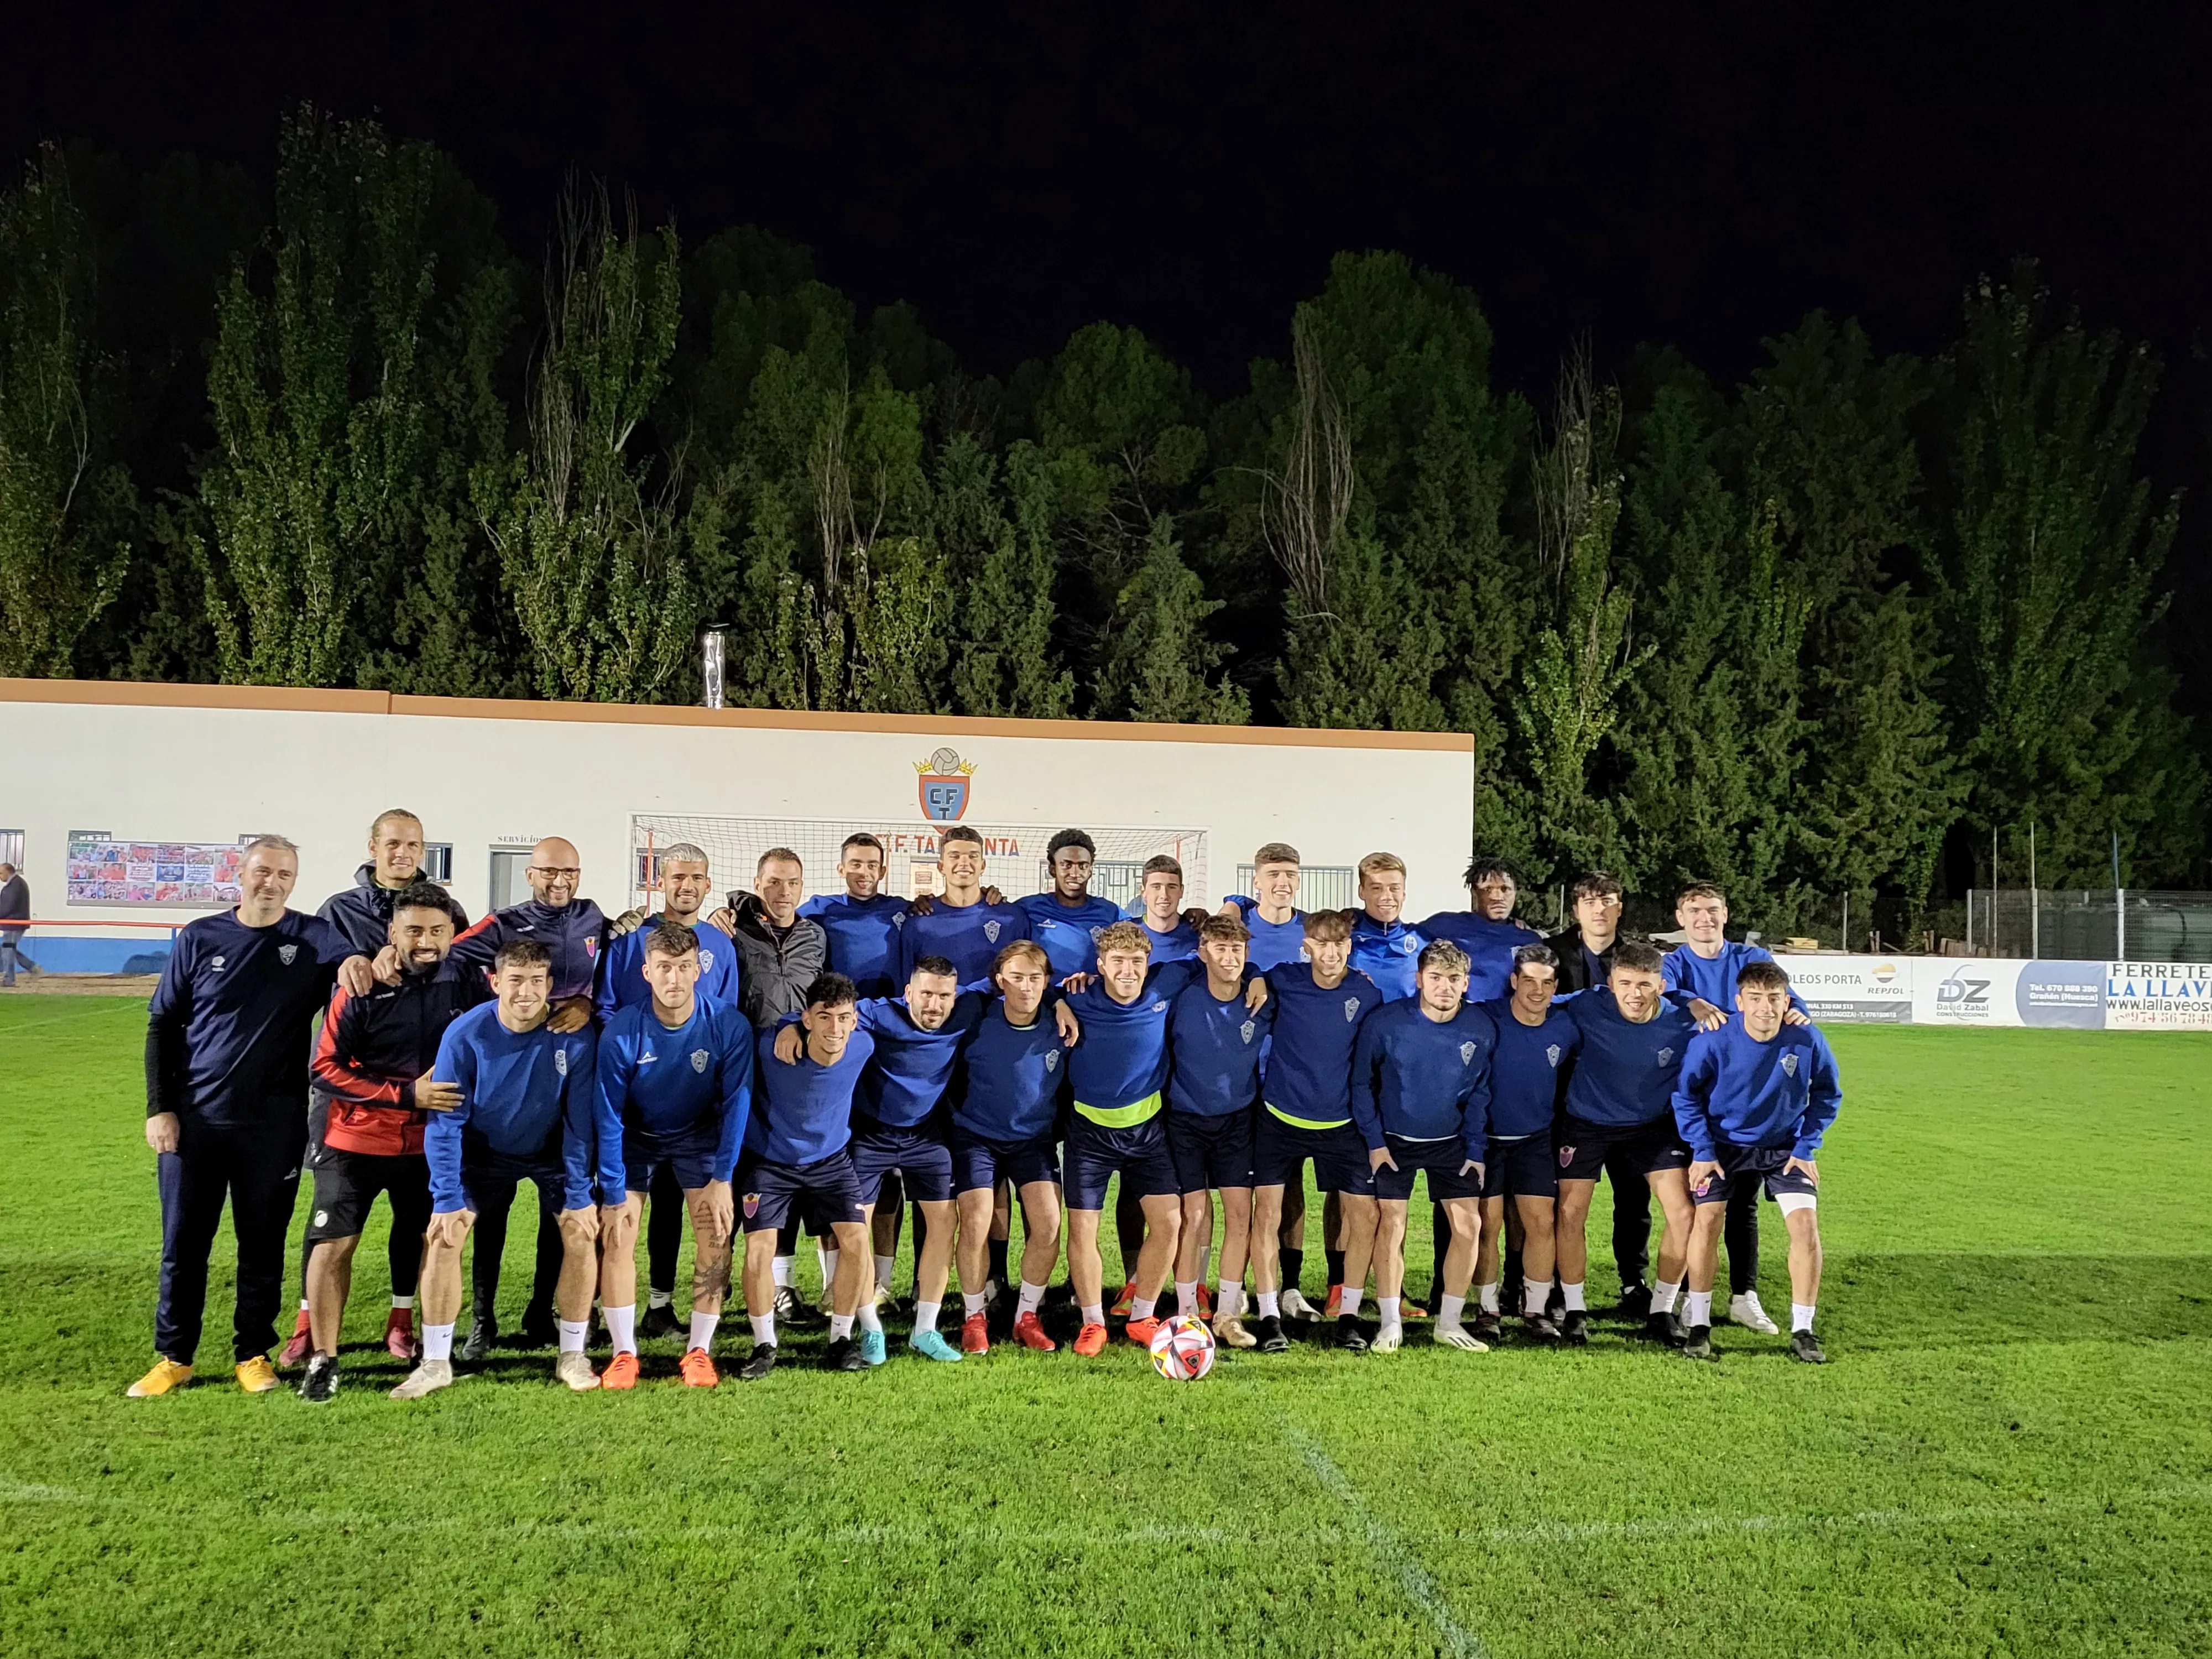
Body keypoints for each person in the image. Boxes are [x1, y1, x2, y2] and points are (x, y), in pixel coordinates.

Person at [130, 837, 374, 1398]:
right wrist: (159, 1108)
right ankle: (174, 1357)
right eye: (263, 871)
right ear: (240, 875)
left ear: (294, 880)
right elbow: (162, 1028)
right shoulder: (200, 937)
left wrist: (358, 959)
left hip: (275, 1125)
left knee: (262, 1246)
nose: (273, 881)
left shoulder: (314, 937)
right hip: (196, 1122)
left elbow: (350, 964)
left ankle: (253, 1354)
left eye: (285, 873)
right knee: (183, 1246)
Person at [278, 807, 471, 1366]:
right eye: (392, 843)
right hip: (351, 1097)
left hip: (426, 1097)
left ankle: (400, 1320)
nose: (402, 853)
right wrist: (355, 960)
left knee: (414, 1220)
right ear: (373, 846)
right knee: (330, 1218)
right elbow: (318, 976)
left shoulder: (445, 906)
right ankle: (306, 1324)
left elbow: (467, 958)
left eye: (412, 844)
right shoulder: (340, 910)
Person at [389, 939, 605, 1398]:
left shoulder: (575, 1036)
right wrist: (447, 1199)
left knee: (582, 1231)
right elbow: (444, 1123)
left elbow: (578, 1122)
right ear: (495, 983)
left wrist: (580, 1195)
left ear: (550, 985)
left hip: (549, 1152)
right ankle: (435, 1362)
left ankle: (572, 1354)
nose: (526, 992)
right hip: (481, 1153)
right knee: (444, 1236)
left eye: (536, 982)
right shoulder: (465, 1035)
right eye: (515, 981)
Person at [296, 885, 488, 1401]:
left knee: (435, 1242)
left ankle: (432, 1355)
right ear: (391, 934)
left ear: (453, 935)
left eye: (436, 931)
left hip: (433, 1144)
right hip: (355, 1139)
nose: (425, 941)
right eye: (414, 931)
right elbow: (324, 1069)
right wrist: (405, 1094)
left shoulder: (467, 981)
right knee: (335, 1244)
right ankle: (323, 1358)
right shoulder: (361, 986)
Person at [430, 836, 606, 1361]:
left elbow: (610, 981)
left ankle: (540, 1312)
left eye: (570, 872)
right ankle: (483, 1321)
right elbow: (452, 954)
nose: (560, 881)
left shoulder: (594, 917)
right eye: (550, 872)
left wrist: (584, 1003)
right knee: (488, 1220)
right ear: (530, 874)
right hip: (497, 1109)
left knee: (564, 1220)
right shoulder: (504, 923)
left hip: (559, 1084)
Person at [1060, 920, 1264, 1354]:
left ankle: (1143, 1316)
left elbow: (1223, 959)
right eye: (1118, 962)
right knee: (1083, 1229)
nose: (1129, 971)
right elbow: (1030, 995)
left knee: (1171, 1222)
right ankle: (1093, 1322)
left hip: (1148, 1131)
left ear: (1149, 963)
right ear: (1100, 965)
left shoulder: (1167, 983)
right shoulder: (1078, 996)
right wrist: (1058, 1001)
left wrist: (1258, 973)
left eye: (1137, 961)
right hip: (1090, 1134)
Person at [591, 921, 754, 1387]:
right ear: (647, 972)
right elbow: (607, 1114)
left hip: (699, 1136)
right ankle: (624, 1353)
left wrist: (723, 1178)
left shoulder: (727, 1024)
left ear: (698, 970)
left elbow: (737, 1102)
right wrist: (614, 1189)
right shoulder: (623, 1029)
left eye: (684, 967)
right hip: (638, 1137)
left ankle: (699, 1351)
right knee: (619, 1235)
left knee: (716, 1233)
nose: (674, 979)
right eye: (664, 968)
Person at [598, 842, 740, 1338]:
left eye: (696, 878)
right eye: (677, 877)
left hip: (695, 1111)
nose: (686, 886)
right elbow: (605, 1010)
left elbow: (725, 1020)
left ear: (707, 883)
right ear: (661, 881)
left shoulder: (721, 944)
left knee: (690, 1214)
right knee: (622, 1216)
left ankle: (668, 1312)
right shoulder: (628, 938)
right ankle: (615, 1313)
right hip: (635, 1106)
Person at [1674, 959, 1839, 1362]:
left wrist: (1805, 1147)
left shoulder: (1807, 1039)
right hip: (1722, 1146)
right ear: (1739, 1001)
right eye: (1756, 998)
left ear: (1787, 1001)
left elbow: (1827, 1095)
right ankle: (1698, 1323)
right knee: (1708, 1219)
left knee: (1805, 1225)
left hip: (1784, 1147)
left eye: (1774, 998)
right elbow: (1685, 1096)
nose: (1766, 1007)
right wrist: (1703, 1150)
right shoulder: (1712, 1040)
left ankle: (1804, 1329)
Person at [1661, 882, 1808, 1335]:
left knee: (1741, 1203)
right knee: (1697, 1205)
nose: (1704, 918)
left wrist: (1798, 1012)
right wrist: (1693, 1001)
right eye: (1694, 911)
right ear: (1680, 918)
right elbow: (1660, 993)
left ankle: (1744, 1295)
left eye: (1712, 910)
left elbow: (1784, 995)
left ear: (1725, 915)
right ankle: (1688, 1297)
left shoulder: (1750, 959)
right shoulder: (1674, 964)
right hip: (1692, 1102)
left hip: (1745, 1103)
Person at [1554, 940, 1704, 1347]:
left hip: (1651, 1125)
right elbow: (1538, 998)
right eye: (1625, 983)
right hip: (1586, 1121)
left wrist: (1693, 1002)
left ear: (1660, 984)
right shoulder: (1587, 1005)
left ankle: (1661, 1310)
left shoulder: (1684, 1022)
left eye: (1645, 984)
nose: (1635, 994)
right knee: (1570, 1213)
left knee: (1683, 1214)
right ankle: (1574, 1310)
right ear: (1610, 983)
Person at [1349, 941, 1494, 1355]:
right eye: (1435, 978)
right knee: (1391, 1225)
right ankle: (1390, 1322)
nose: (1444, 987)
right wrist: (1375, 1143)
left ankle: (1448, 1323)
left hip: (1451, 1142)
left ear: (1466, 983)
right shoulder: (1386, 1023)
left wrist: (1476, 1148)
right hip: (1394, 1142)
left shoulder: (1480, 1027)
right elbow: (1362, 1084)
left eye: (1453, 980)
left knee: (1470, 1227)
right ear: (1419, 980)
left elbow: (1480, 1092)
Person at [1249, 910, 1385, 1352]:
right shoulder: (1283, 979)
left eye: (1338, 944)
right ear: (1306, 945)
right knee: (1267, 1215)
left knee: (1364, 1217)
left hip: (1341, 1123)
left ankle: (1348, 1314)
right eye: (1320, 944)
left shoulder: (1366, 993)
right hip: (1280, 1117)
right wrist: (1255, 977)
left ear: (1350, 946)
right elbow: (1251, 975)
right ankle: (1270, 1314)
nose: (1330, 953)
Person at [734, 973, 876, 1379]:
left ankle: (841, 1338)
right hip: (771, 1162)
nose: (835, 1029)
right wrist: (786, 1027)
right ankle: (764, 1344)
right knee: (759, 1251)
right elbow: (758, 1030)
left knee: (856, 1241)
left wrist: (791, 1025)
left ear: (855, 1021)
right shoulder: (771, 1049)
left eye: (844, 1018)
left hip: (831, 1161)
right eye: (825, 1018)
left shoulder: (862, 1045)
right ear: (808, 1018)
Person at [1412, 856, 1540, 1301]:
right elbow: (1391, 936)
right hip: (1457, 1062)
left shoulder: (1526, 939)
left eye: (1505, 888)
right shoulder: (1444, 926)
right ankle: (1444, 1284)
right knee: (1456, 1177)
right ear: (1473, 893)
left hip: (1509, 1066)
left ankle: (1515, 1283)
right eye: (1488, 889)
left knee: (1513, 1189)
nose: (1498, 896)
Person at [713, 848, 830, 1322]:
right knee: (754, 1179)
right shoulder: (733, 931)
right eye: (775, 883)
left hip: (799, 1069)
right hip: (748, 1070)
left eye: (793, 883)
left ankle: (797, 1286)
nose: (784, 893)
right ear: (757, 883)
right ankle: (736, 1291)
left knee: (802, 1173)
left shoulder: (816, 936)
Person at [949, 941, 1071, 1354]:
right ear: (1000, 981)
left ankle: (1026, 1316)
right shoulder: (976, 1015)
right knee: (977, 1220)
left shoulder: (1061, 1023)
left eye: (1035, 979)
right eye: (1016, 978)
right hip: (976, 1136)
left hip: (1032, 1140)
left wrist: (1058, 1002)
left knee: (1049, 1222)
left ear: (1047, 982)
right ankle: (974, 1317)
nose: (1026, 987)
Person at [1538, 873, 1647, 1314]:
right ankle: (1554, 1284)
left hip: (1630, 1100)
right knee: (1560, 1200)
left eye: (1608, 900)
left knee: (1633, 1196)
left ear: (1620, 907)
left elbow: (1666, 998)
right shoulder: (1553, 953)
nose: (1599, 909)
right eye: (1589, 901)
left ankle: (1632, 1281)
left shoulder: (1639, 956)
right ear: (1576, 909)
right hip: (1566, 1098)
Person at [1165, 913, 1274, 1349]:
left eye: (1237, 950)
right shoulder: (1180, 993)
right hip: (1186, 1119)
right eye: (1221, 949)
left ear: (1247, 955)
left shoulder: (1263, 999)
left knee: (1239, 1217)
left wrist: (1261, 978)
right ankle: (1188, 1313)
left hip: (1238, 1121)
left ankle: (1228, 1313)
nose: (1229, 958)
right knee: (1193, 1217)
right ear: (1203, 953)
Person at [1470, 944, 1577, 1343]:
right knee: (1488, 1226)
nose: (1537, 990)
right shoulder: (1486, 1018)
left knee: (1542, 1223)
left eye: (1547, 982)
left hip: (1534, 1140)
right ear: (1514, 981)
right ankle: (1487, 1309)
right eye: (1529, 980)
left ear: (1555, 987)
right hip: (1486, 1141)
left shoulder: (1564, 1027)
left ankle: (1535, 1309)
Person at [895, 825, 1030, 985]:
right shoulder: (918, 923)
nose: (964, 863)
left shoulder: (1012, 918)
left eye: (973, 856)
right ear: (941, 867)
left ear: (983, 866)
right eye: (955, 856)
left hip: (994, 1010)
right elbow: (908, 987)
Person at [800, 832, 909, 999]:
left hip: (889, 1010)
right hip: (839, 1013)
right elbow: (781, 919)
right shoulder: (821, 908)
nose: (863, 873)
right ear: (841, 870)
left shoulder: (901, 908)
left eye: (872, 866)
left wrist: (925, 901)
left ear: (882, 872)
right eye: (856, 865)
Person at [1018, 829, 1125, 983]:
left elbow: (1145, 932)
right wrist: (986, 894)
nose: (1075, 873)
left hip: (1089, 1000)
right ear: (1053, 870)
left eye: (1082, 866)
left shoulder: (1110, 912)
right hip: (1044, 1001)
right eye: (1067, 865)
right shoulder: (1028, 908)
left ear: (1090, 871)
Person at [1218, 842, 1309, 972]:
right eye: (1274, 875)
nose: (1283, 883)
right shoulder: (1235, 925)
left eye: (1290, 875)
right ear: (1256, 882)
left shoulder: (1313, 928)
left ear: (1298, 882)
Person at [0, 860, 29, 987]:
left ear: (8, 872)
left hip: (14, 923)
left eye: (1, 873)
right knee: (9, 949)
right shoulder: (16, 884)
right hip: (13, 922)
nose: (0, 876)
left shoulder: (15, 886)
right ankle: (31, 966)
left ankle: (9, 979)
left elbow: (8, 907)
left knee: (7, 950)